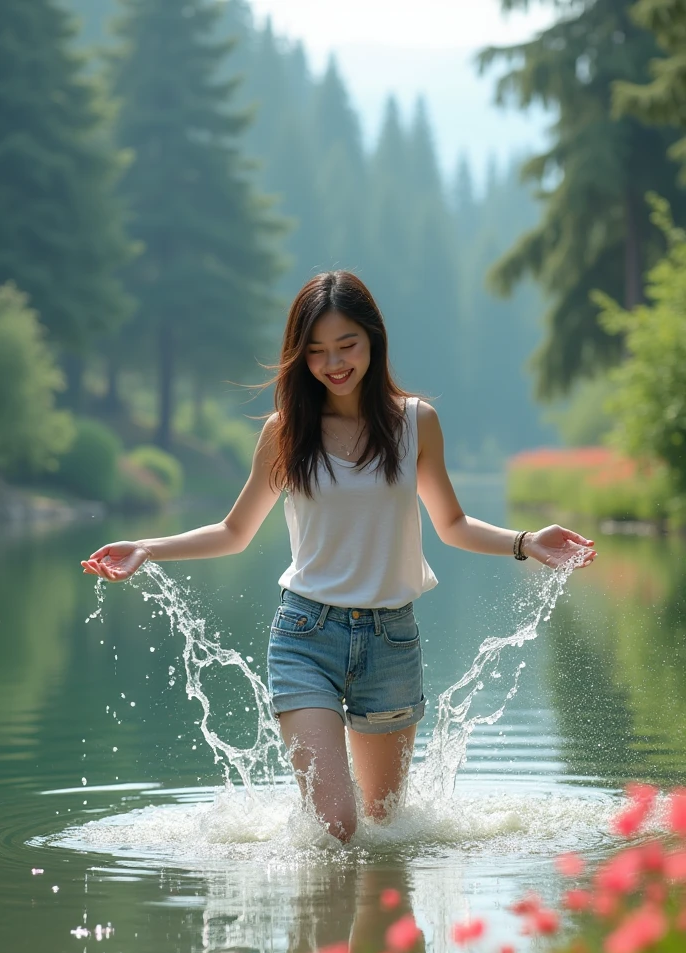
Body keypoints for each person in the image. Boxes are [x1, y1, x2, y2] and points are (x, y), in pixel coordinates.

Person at [81, 271, 596, 841]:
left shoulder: (416, 423)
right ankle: (316, 926)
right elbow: (234, 531)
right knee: (337, 826)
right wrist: (147, 548)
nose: (334, 363)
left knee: (385, 829)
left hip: (391, 642)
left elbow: (450, 524)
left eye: (346, 345)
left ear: (373, 339)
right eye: (317, 351)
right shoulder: (286, 432)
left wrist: (527, 542)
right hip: (305, 636)